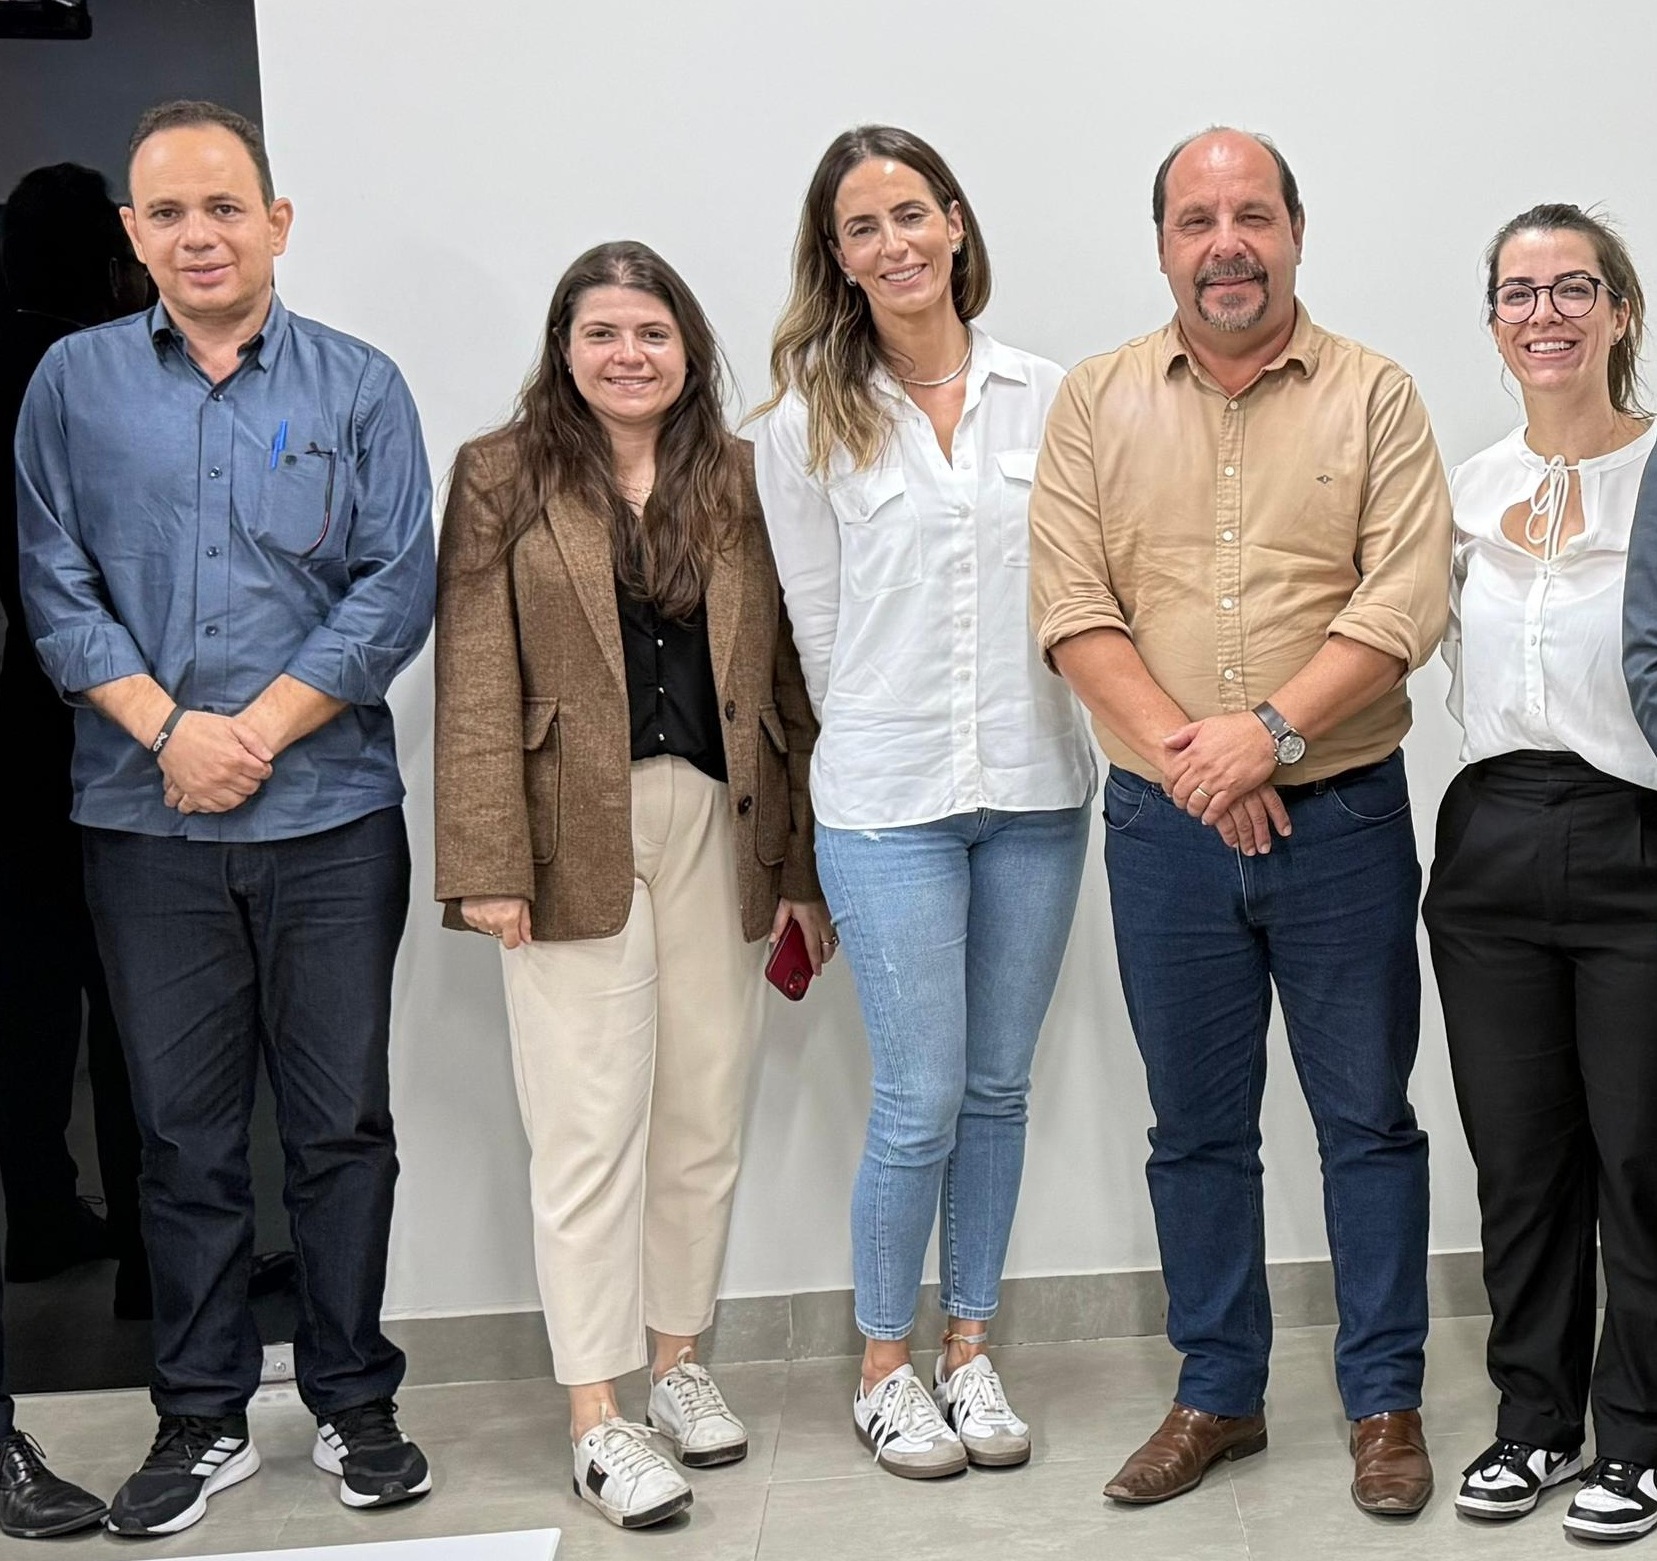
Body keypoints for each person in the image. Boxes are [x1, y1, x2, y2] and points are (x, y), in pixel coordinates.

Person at [14, 101, 436, 1535]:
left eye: (224, 207)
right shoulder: (71, 386)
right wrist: (168, 733)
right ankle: (199, 1416)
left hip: (330, 818)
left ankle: (355, 1399)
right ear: (132, 235)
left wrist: (253, 732)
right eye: (168, 213)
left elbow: (394, 586)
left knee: (341, 1128)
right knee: (182, 1139)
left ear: (277, 222)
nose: (199, 235)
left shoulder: (360, 385)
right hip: (146, 829)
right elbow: (53, 580)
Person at [1029, 127, 1452, 1515]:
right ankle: (1217, 1391)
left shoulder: (1375, 394)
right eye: (1198, 219)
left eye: (1252, 215)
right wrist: (1202, 761)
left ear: (1295, 232)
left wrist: (1266, 734)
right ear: (1162, 244)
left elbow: (1402, 601)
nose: (1228, 244)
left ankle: (1384, 1401)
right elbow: (1072, 608)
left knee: (1366, 1120)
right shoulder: (1094, 401)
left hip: (1343, 822)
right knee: (1194, 1129)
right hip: (1165, 833)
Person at [433, 239, 831, 1531]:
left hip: (723, 818)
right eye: (601, 332)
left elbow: (787, 677)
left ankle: (677, 1362)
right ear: (564, 350)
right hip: (567, 836)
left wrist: (802, 864)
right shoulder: (499, 475)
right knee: (587, 1124)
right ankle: (596, 1414)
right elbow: (475, 676)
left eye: (652, 333)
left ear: (689, 351)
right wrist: (488, 864)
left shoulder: (742, 476)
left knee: (704, 1109)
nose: (628, 355)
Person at [754, 126, 1095, 1479]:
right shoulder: (803, 425)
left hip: (1036, 789)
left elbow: (1087, 595)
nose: (892, 243)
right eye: (862, 227)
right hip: (887, 801)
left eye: (911, 213)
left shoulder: (1052, 396)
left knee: (998, 1087)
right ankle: (883, 1367)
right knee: (919, 1094)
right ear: (836, 258)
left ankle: (969, 1346)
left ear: (954, 223)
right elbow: (815, 640)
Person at [1426, 204, 1657, 1541]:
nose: (1545, 313)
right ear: (1494, 322)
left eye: (1574, 287)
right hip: (1492, 841)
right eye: (1519, 292)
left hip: (1635, 834)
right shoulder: (1463, 488)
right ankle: (1535, 1421)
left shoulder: (1656, 471)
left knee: (1640, 1156)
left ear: (1618, 312)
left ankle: (1640, 1434)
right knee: (1520, 1159)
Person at [0, 163, 149, 1316]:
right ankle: (151, 1252)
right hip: (110, 715)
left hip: (21, 709)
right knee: (131, 989)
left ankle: (43, 1207)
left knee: (31, 984)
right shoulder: (99, 378)